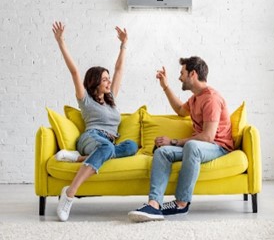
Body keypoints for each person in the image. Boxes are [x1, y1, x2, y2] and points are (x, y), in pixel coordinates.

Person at [128, 56, 234, 222]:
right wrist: (165, 87)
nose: (179, 77)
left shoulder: (211, 98)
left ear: (193, 74)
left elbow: (207, 137)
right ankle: (154, 205)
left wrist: (174, 141)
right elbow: (179, 109)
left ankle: (181, 203)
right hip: (199, 146)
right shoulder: (195, 98)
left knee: (192, 145)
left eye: (182, 73)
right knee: (163, 152)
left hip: (217, 146)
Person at [52, 21, 138, 222]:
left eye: (108, 79)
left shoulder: (112, 99)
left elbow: (119, 69)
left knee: (131, 146)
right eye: (105, 79)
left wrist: (124, 44)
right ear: (95, 82)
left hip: (108, 143)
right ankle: (70, 194)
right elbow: (74, 72)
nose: (109, 81)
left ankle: (78, 159)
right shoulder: (86, 100)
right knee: (107, 149)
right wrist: (61, 42)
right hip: (91, 137)